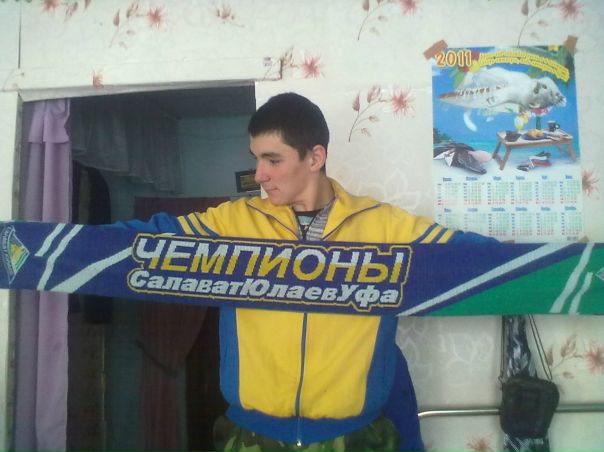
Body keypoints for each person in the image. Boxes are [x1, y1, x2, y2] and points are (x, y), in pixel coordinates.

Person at [122, 92, 487, 451]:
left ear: (315, 157)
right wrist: (82, 245)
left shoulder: (385, 226)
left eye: (273, 160)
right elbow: (147, 239)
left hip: (354, 438)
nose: (259, 174)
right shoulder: (233, 222)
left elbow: (475, 257)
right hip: (252, 437)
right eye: (256, 159)